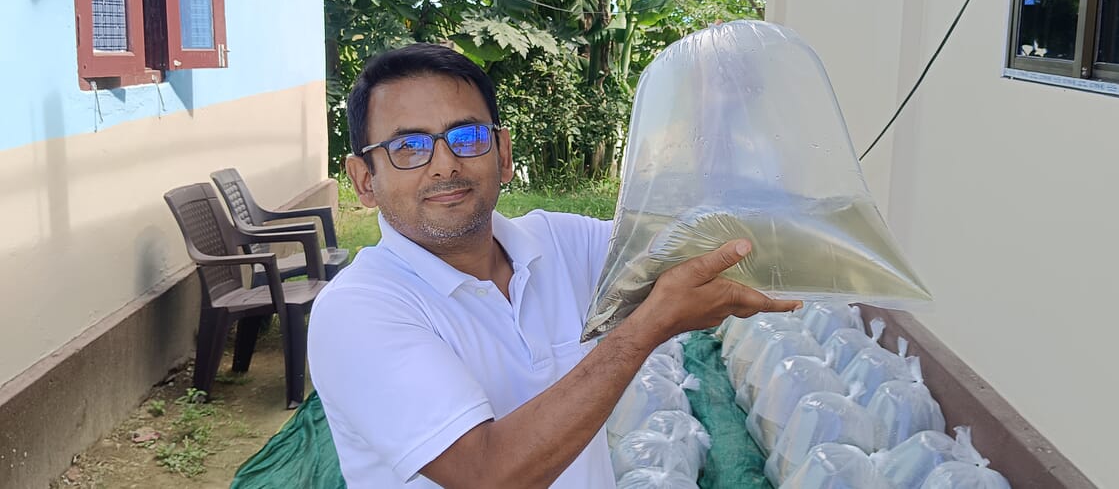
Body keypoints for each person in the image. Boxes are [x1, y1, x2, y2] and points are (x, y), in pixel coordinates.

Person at [308, 43, 801, 488]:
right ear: (364, 180)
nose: (445, 164)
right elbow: (486, 475)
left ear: (502, 154)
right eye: (407, 147)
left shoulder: (557, 243)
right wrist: (646, 328)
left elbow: (694, 233)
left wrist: (720, 113)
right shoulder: (356, 311)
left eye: (467, 135)